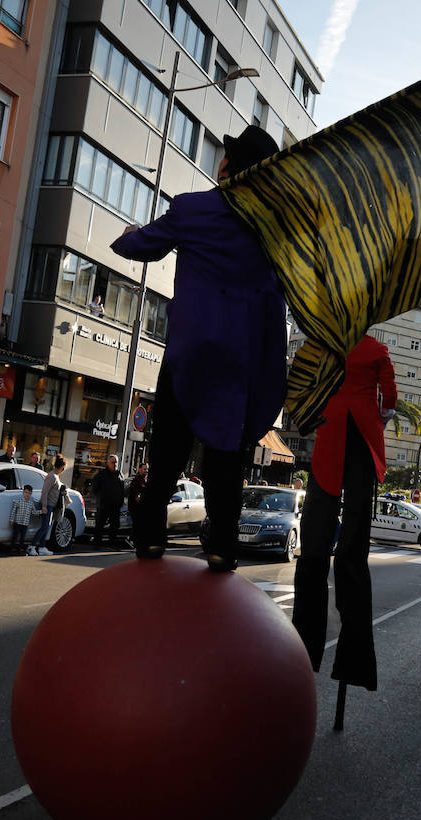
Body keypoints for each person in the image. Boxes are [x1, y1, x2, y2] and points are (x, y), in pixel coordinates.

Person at [111, 124, 286, 572]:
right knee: (225, 458)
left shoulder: (193, 209)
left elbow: (140, 246)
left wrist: (128, 232)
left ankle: (151, 538)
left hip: (189, 354)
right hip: (238, 363)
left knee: (168, 449)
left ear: (227, 166)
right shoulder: (273, 231)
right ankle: (221, 546)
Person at [292, 334, 397, 728]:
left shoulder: (324, 343)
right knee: (353, 552)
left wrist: (314, 411)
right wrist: (381, 412)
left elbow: (299, 381)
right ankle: (353, 658)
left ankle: (304, 648)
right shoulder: (376, 350)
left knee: (315, 547)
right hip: (362, 438)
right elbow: (391, 395)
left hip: (332, 430)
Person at [31, 456, 67, 557]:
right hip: (48, 506)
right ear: (61, 467)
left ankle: (42, 547)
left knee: (46, 528)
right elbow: (45, 492)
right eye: (63, 468)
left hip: (51, 506)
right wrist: (44, 506)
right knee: (44, 527)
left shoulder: (55, 476)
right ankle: (32, 546)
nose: (63, 470)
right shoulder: (52, 476)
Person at [92, 454, 125, 547]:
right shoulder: (101, 474)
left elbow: (122, 490)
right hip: (104, 505)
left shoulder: (120, 475)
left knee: (114, 526)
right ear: (108, 463)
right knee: (100, 525)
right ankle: (97, 543)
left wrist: (121, 501)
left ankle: (112, 543)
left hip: (115, 506)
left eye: (116, 463)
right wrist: (101, 498)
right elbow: (95, 488)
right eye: (112, 462)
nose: (114, 464)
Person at [9, 484, 39, 555]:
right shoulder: (18, 501)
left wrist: (41, 511)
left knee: (22, 537)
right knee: (15, 536)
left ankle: (20, 549)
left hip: (25, 524)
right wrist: (11, 520)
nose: (27, 494)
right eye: (26, 492)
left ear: (31, 494)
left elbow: (34, 512)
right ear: (23, 492)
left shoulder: (31, 503)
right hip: (17, 522)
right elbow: (13, 511)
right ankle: (12, 548)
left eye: (29, 493)